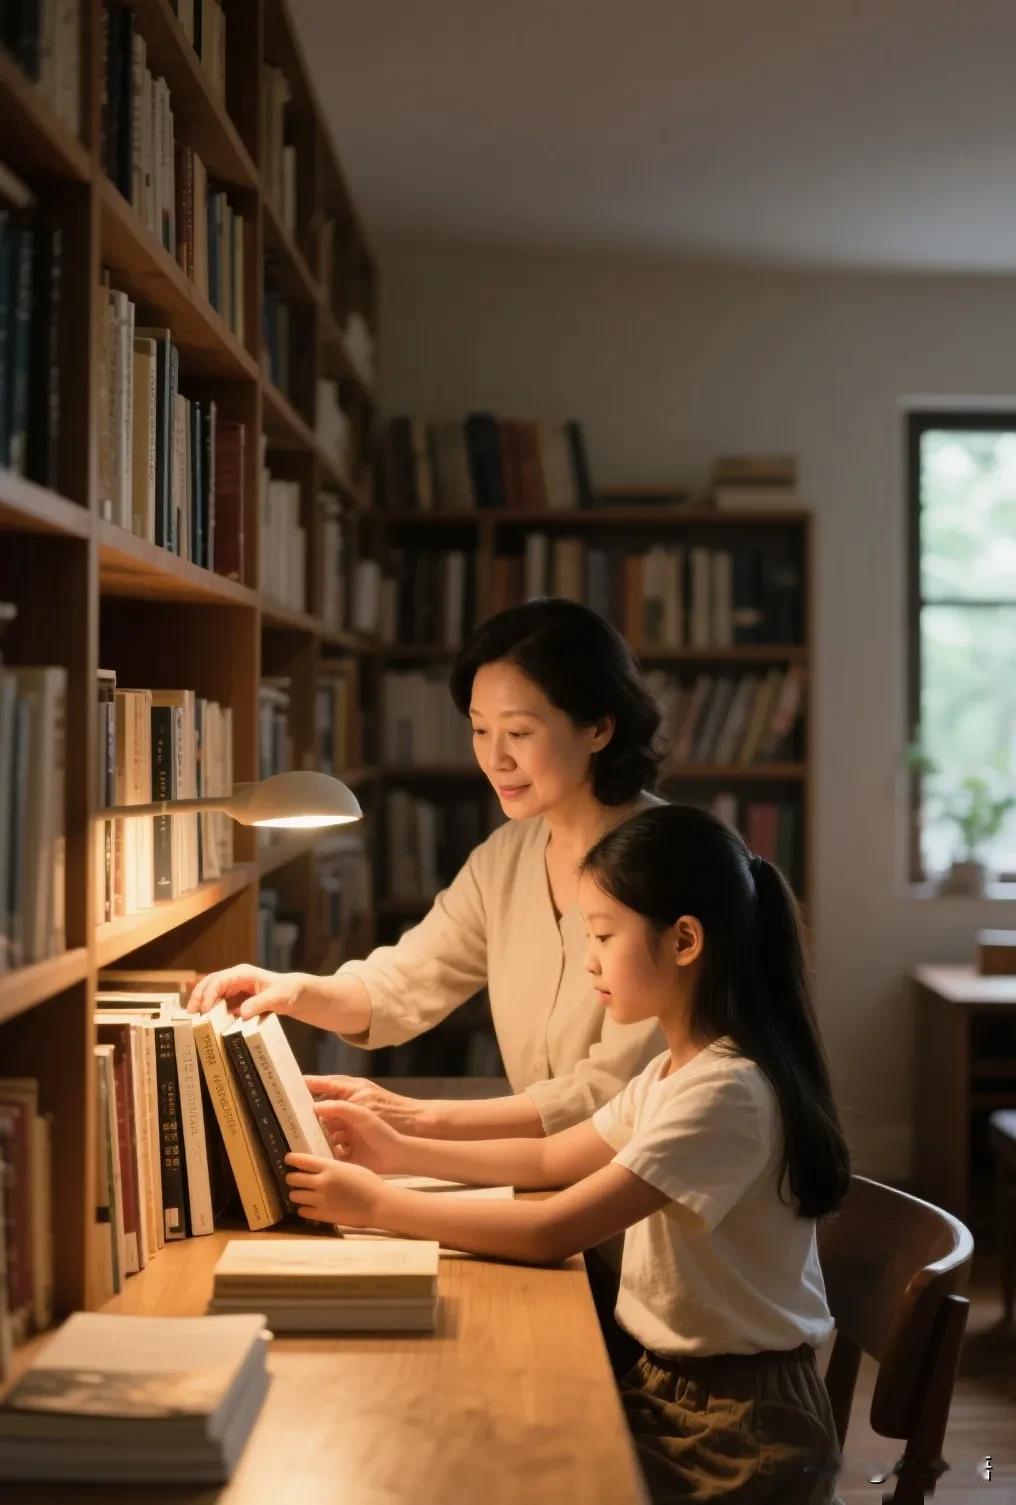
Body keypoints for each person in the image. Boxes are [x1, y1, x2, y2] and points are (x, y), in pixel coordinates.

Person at [284, 804, 850, 1505]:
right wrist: (399, 1149)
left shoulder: (725, 1092)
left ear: (683, 941)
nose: (588, 958)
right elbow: (554, 1160)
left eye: (604, 934)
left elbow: (553, 1230)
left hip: (739, 1427)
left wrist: (375, 1203)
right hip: (681, 1387)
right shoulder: (678, 1071)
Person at [187, 598, 667, 1142]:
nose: (495, 759)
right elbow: (408, 980)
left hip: (651, 1192)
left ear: (599, 728)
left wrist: (413, 1119)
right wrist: (293, 991)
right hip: (551, 1174)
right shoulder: (506, 856)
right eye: (481, 731)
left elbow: (615, 1094)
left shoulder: (668, 861)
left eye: (520, 733)